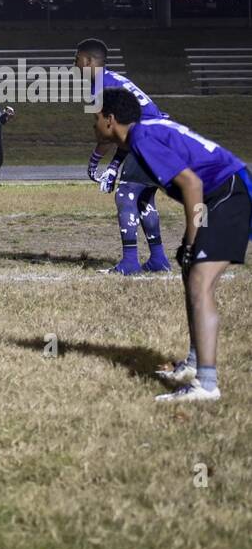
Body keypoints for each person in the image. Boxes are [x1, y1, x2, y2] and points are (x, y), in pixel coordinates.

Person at [94, 88, 249, 402]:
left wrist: (192, 240)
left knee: (200, 281)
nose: (92, 123)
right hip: (221, 195)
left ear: (110, 121)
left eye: (96, 117)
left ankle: (206, 384)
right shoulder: (145, 133)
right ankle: (194, 363)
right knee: (191, 274)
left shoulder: (141, 139)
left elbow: (192, 184)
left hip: (231, 196)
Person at [77, 37, 171, 275]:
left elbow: (109, 133)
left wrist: (95, 162)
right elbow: (127, 129)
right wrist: (115, 164)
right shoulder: (114, 79)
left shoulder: (99, 87)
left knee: (125, 195)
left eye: (76, 60)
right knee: (143, 198)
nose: (74, 65)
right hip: (161, 136)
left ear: (88, 61)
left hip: (150, 138)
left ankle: (130, 263)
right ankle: (158, 259)